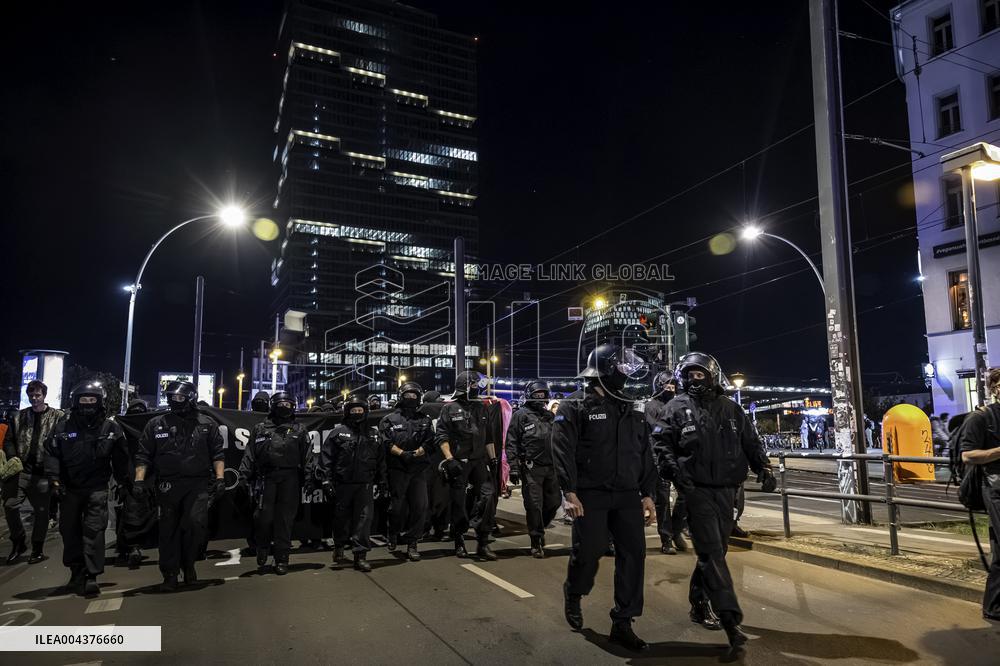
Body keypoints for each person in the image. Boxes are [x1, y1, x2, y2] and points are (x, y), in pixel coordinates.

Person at [651, 352, 776, 651]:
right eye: (689, 375)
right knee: (711, 554)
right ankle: (731, 621)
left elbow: (751, 442)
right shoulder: (675, 409)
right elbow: (661, 445)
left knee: (714, 553)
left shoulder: (732, 409)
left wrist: (764, 467)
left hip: (727, 493)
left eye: (699, 375)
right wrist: (677, 475)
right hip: (696, 491)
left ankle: (698, 603)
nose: (694, 380)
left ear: (711, 376)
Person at [553, 343, 657, 652]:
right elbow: (562, 450)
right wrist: (568, 491)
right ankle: (574, 591)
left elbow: (644, 452)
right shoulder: (574, 406)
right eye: (622, 368)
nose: (627, 374)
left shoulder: (631, 406)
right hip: (589, 493)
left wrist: (648, 493)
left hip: (626, 493)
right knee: (590, 551)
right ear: (605, 369)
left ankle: (623, 622)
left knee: (634, 555)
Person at [135, 380, 225, 591]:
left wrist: (220, 479)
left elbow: (218, 453)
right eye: (172, 398)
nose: (175, 401)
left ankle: (189, 564)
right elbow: (143, 455)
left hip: (198, 484)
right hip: (167, 485)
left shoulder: (206, 424)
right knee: (168, 530)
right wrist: (139, 481)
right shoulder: (156, 424)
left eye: (180, 397)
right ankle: (170, 573)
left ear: (191, 398)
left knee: (196, 524)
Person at [44, 381, 129, 596]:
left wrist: (125, 483)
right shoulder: (63, 426)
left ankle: (92, 575)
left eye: (93, 400)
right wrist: (54, 480)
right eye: (84, 400)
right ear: (75, 402)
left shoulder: (111, 428)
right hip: (69, 489)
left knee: (94, 531)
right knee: (69, 531)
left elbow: (121, 458)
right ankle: (76, 571)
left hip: (97, 488)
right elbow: (52, 454)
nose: (88, 404)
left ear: (100, 402)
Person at [238, 391, 310, 575]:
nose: (284, 407)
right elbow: (250, 453)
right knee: (262, 517)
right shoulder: (260, 428)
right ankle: (262, 547)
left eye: (288, 404)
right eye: (281, 404)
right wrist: (243, 475)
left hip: (290, 478)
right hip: (266, 478)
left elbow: (308, 457)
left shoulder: (299, 430)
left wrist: (309, 478)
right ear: (273, 405)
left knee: (284, 520)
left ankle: (282, 558)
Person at [435, 371, 499, 561]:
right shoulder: (449, 409)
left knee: (488, 498)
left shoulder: (482, 407)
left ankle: (483, 541)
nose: (476, 388)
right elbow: (441, 436)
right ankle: (459, 540)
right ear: (464, 386)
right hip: (459, 462)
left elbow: (488, 436)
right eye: (473, 385)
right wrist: (449, 458)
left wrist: (493, 459)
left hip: (479, 461)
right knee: (459, 502)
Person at [319, 394, 386, 572]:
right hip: (343, 484)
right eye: (353, 410)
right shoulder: (337, 433)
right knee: (341, 518)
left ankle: (360, 555)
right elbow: (326, 459)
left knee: (364, 519)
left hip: (365, 484)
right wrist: (326, 481)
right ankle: (339, 545)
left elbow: (381, 460)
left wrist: (382, 481)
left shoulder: (373, 434)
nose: (357, 413)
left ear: (365, 412)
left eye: (360, 410)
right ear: (347, 412)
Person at [2, 379, 64, 565]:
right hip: (21, 470)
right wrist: (14, 458)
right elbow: (8, 440)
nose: (34, 398)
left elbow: (62, 442)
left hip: (44, 472)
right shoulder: (18, 417)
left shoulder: (58, 416)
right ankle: (19, 541)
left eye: (37, 395)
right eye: (31, 395)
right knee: (10, 505)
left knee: (42, 512)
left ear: (44, 395)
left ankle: (37, 549)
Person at [959, 367, 1000, 621]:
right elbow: (968, 455)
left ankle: (993, 606)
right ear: (995, 388)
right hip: (995, 488)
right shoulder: (981, 418)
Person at [380, 381, 434, 562]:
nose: (411, 398)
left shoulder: (425, 420)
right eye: (407, 395)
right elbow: (385, 442)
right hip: (397, 469)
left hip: (418, 469)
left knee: (420, 506)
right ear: (401, 397)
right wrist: (402, 454)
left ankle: (412, 543)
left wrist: (418, 453)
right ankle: (393, 533)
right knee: (396, 508)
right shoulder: (389, 419)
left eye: (414, 395)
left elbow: (430, 441)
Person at [507, 379, 561, 558]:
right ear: (529, 396)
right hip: (531, 468)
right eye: (537, 395)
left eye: (543, 395)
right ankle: (536, 540)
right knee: (534, 505)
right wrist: (513, 467)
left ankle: (541, 527)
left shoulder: (550, 417)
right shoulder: (520, 415)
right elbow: (512, 442)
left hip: (551, 467)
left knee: (554, 502)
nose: (540, 398)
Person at [643, 371, 688, 554]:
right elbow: (657, 432)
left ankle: (676, 530)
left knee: (687, 495)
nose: (671, 389)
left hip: (678, 458)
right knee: (663, 502)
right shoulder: (651, 406)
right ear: (659, 386)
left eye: (673, 386)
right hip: (660, 458)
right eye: (667, 386)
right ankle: (666, 539)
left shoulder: (677, 405)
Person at [419, 390, 450, 541]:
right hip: (436, 459)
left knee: (432, 497)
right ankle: (437, 528)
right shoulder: (445, 409)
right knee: (437, 497)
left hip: (432, 460)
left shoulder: (424, 411)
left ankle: (432, 528)